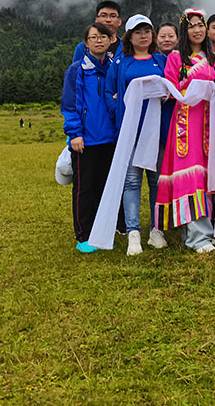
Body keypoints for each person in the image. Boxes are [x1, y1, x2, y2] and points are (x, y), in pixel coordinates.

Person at [155, 9, 215, 253]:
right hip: (185, 121)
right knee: (192, 175)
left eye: (200, 25)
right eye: (191, 26)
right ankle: (198, 237)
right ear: (184, 31)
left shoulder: (213, 59)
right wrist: (190, 90)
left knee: (206, 175)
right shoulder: (177, 58)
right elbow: (169, 88)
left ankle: (196, 233)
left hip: (208, 120)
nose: (197, 30)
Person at [106, 14, 173, 255]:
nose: (143, 36)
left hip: (157, 131)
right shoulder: (121, 63)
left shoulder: (161, 60)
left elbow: (172, 87)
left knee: (156, 180)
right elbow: (109, 92)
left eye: (147, 31)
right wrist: (120, 110)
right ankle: (133, 232)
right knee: (132, 181)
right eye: (137, 32)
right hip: (131, 130)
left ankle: (156, 229)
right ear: (129, 37)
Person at [61, 22, 118, 253]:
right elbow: (70, 104)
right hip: (86, 140)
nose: (99, 40)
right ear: (86, 42)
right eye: (94, 37)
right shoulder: (77, 70)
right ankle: (84, 235)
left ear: (110, 40)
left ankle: (103, 232)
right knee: (84, 188)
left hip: (111, 139)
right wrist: (75, 133)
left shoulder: (114, 68)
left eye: (103, 36)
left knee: (106, 188)